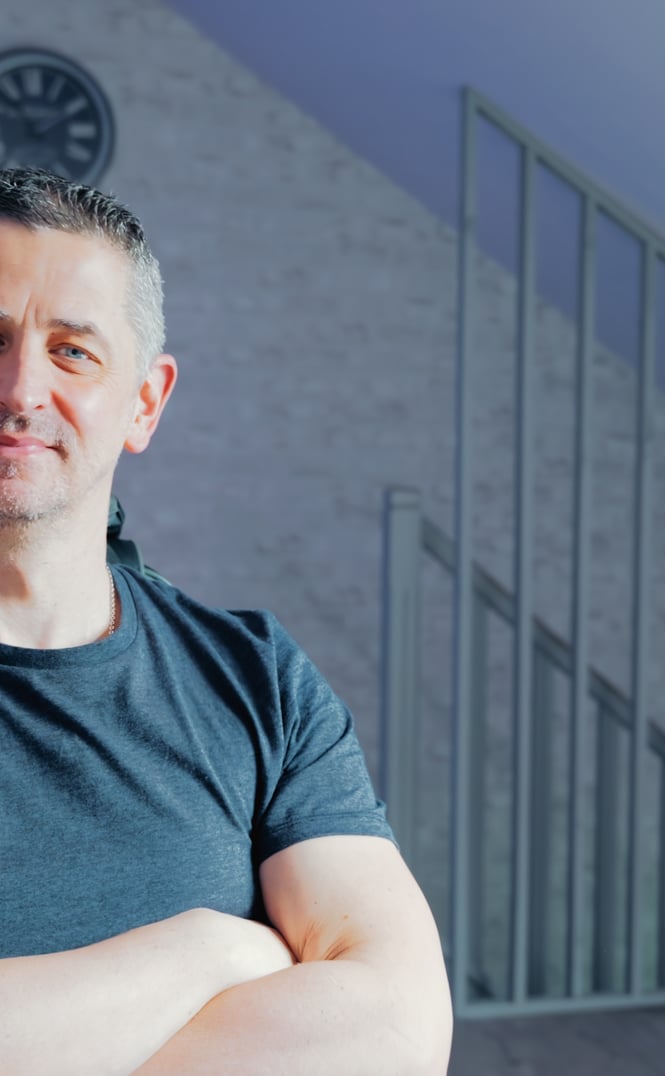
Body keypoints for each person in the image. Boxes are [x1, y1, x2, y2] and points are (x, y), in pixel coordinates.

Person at [0, 168, 452, 1075]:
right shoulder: (218, 948)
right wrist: (210, 952)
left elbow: (399, 1029)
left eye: (73, 351)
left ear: (145, 402)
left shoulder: (258, 680)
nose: (20, 389)